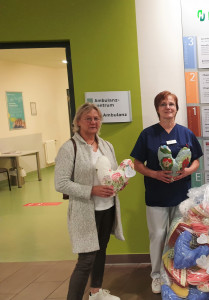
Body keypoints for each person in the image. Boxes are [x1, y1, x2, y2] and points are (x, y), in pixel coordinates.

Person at [130, 90, 203, 294]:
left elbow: (196, 159)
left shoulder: (186, 133)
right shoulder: (147, 134)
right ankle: (156, 275)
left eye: (171, 104)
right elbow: (136, 163)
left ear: (176, 108)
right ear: (157, 109)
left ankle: (175, 273)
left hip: (181, 194)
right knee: (158, 235)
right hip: (156, 195)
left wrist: (188, 170)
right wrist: (154, 174)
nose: (168, 107)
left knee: (179, 236)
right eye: (163, 104)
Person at [55, 103, 124, 300]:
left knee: (101, 251)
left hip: (107, 208)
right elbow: (60, 183)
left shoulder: (105, 145)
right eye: (88, 118)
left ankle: (96, 293)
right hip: (85, 211)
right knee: (86, 259)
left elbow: (111, 173)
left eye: (96, 118)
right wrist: (91, 190)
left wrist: (119, 183)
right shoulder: (69, 148)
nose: (93, 122)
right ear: (78, 122)